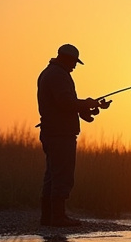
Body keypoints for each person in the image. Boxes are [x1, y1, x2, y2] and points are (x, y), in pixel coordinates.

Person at [36, 43, 108, 226]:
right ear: (65, 58)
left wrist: (88, 109)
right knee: (62, 175)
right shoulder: (57, 75)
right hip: (60, 134)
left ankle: (48, 217)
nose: (75, 66)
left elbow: (63, 105)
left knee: (52, 175)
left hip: (53, 131)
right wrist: (87, 103)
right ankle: (58, 218)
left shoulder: (51, 73)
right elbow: (65, 102)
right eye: (74, 62)